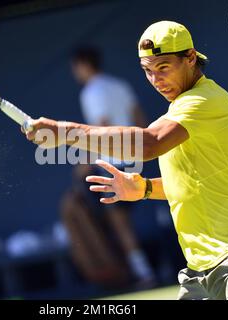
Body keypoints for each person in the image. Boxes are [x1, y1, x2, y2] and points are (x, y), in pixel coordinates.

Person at [23, 21, 228, 300]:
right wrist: (144, 189)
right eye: (148, 71)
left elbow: (150, 143)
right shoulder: (177, 111)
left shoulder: (205, 100)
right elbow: (194, 183)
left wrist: (67, 133)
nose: (156, 79)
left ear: (190, 58)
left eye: (163, 67)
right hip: (200, 275)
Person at [60, 46, 156, 288]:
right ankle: (141, 270)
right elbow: (140, 120)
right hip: (134, 160)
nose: (74, 73)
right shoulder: (120, 85)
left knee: (120, 222)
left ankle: (143, 273)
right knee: (127, 217)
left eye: (75, 67)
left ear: (83, 64)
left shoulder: (92, 92)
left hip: (112, 164)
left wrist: (85, 163)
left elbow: (100, 129)